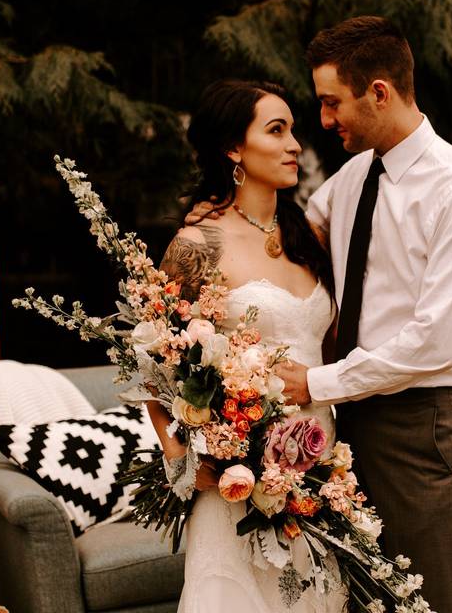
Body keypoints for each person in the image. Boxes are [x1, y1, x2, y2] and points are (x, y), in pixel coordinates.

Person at [274, 16, 452, 613]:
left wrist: (317, 381)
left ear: (379, 91)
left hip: (423, 425)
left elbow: (436, 342)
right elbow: (298, 242)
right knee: (359, 596)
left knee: (428, 602)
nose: (323, 121)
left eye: (331, 103)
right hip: (351, 423)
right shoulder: (354, 176)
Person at [146, 79, 345, 613]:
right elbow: (149, 361)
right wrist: (184, 458)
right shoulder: (197, 244)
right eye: (275, 131)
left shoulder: (310, 237)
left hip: (320, 467)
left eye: (293, 131)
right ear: (234, 148)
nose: (294, 145)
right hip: (237, 479)